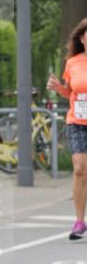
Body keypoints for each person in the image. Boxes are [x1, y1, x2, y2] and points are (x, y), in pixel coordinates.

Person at [47, 16, 87, 240]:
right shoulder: (73, 63)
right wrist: (57, 88)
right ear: (82, 38)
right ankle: (80, 221)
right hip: (78, 122)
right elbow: (70, 92)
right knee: (80, 169)